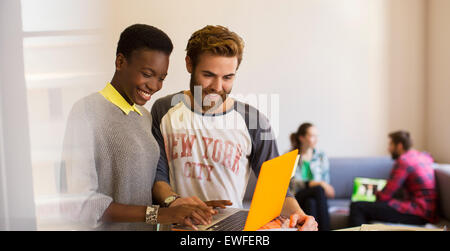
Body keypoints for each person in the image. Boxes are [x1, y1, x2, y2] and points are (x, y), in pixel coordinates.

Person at [151, 25, 318, 230]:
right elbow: (157, 175)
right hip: (178, 229)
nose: (218, 86)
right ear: (189, 64)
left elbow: (278, 191)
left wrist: (300, 218)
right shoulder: (164, 109)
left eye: (228, 77)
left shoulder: (254, 121)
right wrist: (174, 202)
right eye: (208, 74)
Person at [60, 24, 214, 230]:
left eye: (161, 78)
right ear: (120, 62)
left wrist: (176, 204)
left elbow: (142, 184)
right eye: (148, 73)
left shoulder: (144, 116)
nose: (155, 86)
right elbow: (82, 203)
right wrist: (161, 213)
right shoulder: (86, 111)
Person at [349, 131, 438, 227]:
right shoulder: (423, 156)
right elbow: (429, 157)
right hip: (429, 211)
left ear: (399, 146)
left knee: (357, 206)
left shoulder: (403, 161)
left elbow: (385, 195)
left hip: (417, 211)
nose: (388, 148)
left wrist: (374, 194)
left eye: (390, 144)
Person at [289, 122, 334, 231]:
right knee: (318, 189)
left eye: (316, 136)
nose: (316, 139)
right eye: (312, 136)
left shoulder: (321, 156)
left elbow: (326, 182)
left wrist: (323, 185)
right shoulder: (291, 156)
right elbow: (292, 183)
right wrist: (314, 183)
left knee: (311, 202)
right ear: (301, 138)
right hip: (297, 196)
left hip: (315, 197)